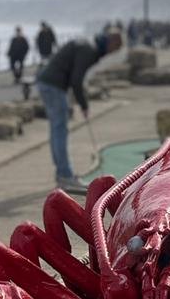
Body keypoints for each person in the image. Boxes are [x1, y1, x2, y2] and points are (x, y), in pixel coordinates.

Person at [36, 27, 123, 194]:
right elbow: (77, 80)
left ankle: (61, 174)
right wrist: (84, 104)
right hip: (54, 85)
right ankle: (64, 175)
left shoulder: (89, 46)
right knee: (60, 129)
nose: (113, 53)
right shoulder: (89, 50)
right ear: (111, 42)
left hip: (47, 82)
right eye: (115, 48)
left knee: (57, 128)